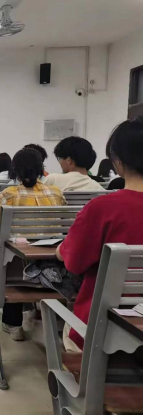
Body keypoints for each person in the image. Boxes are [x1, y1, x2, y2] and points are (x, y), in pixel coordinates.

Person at [56, 117, 143, 351]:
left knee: (68, 325)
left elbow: (74, 263)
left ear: (118, 161)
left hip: (103, 331)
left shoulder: (102, 209)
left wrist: (61, 249)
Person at [0, 148, 66, 341]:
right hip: (54, 266)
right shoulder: (56, 193)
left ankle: (14, 324)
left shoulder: (10, 194)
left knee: (10, 256)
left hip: (18, 270)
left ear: (15, 171)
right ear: (41, 169)